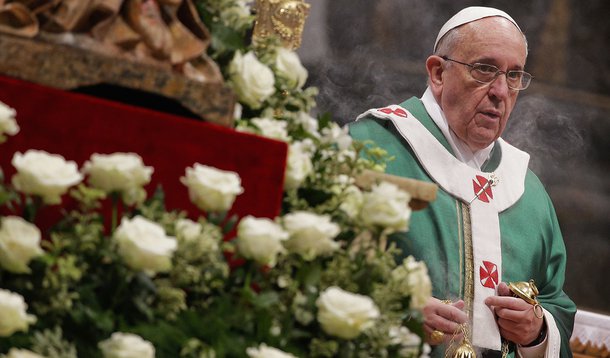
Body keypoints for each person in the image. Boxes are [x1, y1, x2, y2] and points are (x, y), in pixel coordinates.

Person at [349, 6, 576, 358]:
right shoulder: (370, 149)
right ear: (438, 73)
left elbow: (555, 304)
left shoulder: (528, 193)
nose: (501, 91)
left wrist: (536, 331)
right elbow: (312, 264)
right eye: (484, 69)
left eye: (514, 75)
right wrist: (395, 311)